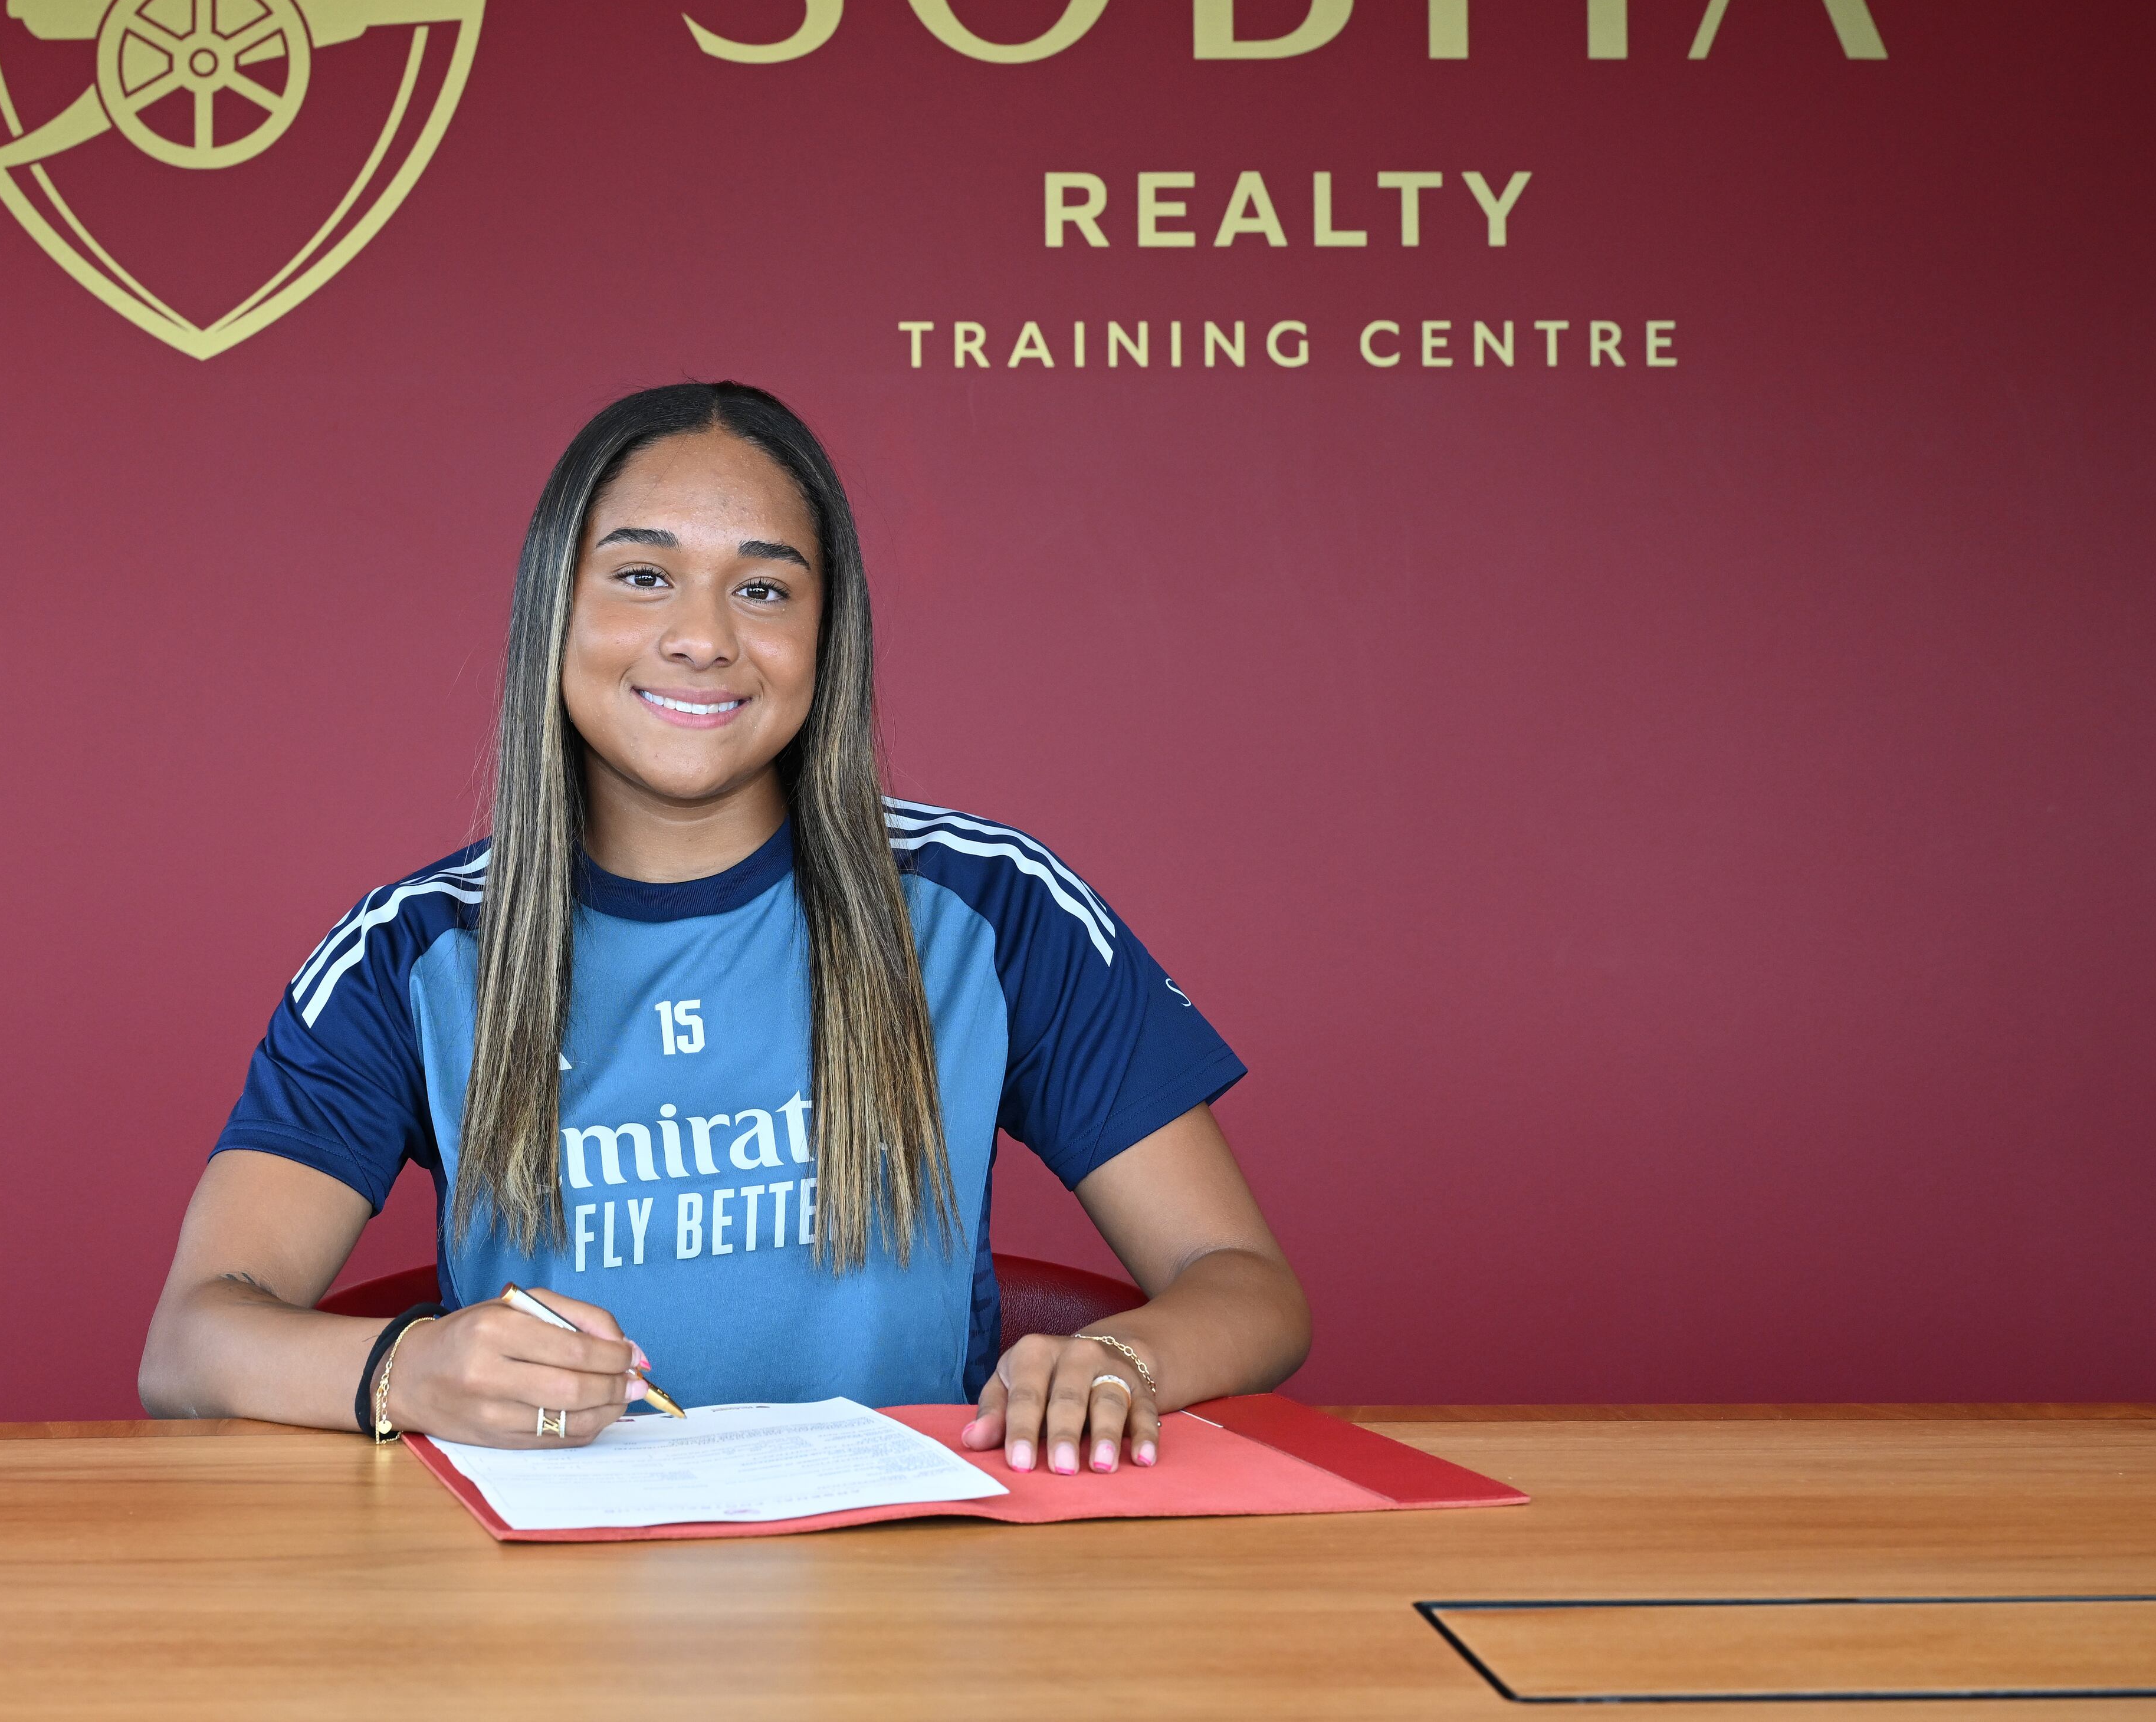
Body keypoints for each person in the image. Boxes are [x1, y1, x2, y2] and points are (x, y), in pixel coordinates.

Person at [139, 381, 1308, 1476]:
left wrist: (1122, 1361)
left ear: (823, 637)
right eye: (642, 576)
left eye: (762, 587)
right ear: (555, 607)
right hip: (541, 1621)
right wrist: (407, 1368)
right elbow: (191, 1342)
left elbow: (1247, 1286)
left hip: (911, 1599)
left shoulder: (988, 906)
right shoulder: (412, 952)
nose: (703, 636)